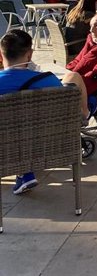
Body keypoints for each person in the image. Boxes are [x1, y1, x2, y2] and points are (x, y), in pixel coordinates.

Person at [0, 30, 89, 195]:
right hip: (48, 145)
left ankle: (24, 172)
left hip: (6, 150)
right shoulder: (49, 80)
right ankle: (25, 171)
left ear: (1, 55)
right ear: (30, 54)